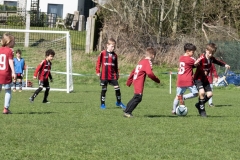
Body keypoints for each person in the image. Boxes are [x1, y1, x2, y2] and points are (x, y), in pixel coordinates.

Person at [194, 43, 230, 117]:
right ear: (206, 50)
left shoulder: (211, 59)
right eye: (209, 53)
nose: (210, 54)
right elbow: (195, 63)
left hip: (205, 79)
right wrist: (195, 64)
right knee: (202, 93)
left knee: (210, 94)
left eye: (212, 53)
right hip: (198, 79)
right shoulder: (202, 57)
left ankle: (199, 104)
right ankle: (202, 111)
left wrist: (225, 65)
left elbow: (218, 61)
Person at [124, 47, 160, 118]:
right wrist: (157, 80)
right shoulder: (147, 62)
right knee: (138, 97)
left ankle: (127, 109)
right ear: (153, 55)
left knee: (136, 96)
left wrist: (129, 81)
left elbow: (133, 71)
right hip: (138, 81)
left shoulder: (141, 61)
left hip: (135, 79)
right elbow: (149, 73)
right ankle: (127, 112)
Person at [96, 38, 126, 109]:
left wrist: (117, 73)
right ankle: (102, 104)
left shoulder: (115, 55)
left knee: (117, 88)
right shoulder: (103, 53)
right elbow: (98, 63)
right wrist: (98, 71)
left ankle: (119, 102)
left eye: (114, 46)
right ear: (107, 45)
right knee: (104, 89)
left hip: (112, 75)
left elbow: (116, 65)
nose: (113, 48)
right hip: (104, 75)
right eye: (112, 46)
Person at [172, 43, 198, 115]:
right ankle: (184, 97)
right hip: (188, 80)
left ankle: (174, 110)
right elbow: (196, 64)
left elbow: (188, 66)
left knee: (177, 96)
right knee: (195, 93)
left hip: (180, 80)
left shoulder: (181, 58)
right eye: (192, 52)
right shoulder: (191, 59)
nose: (193, 54)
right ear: (187, 51)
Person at [0, 33, 16, 114]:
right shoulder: (9, 51)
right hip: (6, 73)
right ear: (9, 42)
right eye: (13, 41)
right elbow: (10, 62)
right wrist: (13, 72)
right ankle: (6, 108)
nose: (14, 43)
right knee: (8, 90)